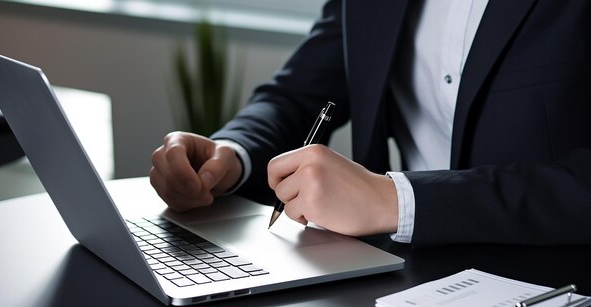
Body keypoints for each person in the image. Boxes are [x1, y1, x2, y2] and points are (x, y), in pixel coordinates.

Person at [150, 0, 591, 247]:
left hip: (553, 290)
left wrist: (395, 201)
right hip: (399, 280)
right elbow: (301, 91)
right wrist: (231, 152)